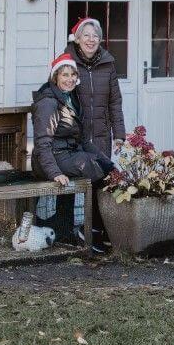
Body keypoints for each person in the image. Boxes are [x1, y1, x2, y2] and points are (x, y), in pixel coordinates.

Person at [31, 53, 114, 251]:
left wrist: (107, 162)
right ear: (55, 77)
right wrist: (55, 173)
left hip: (67, 155)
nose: (69, 79)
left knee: (108, 170)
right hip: (50, 161)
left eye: (72, 75)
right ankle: (91, 230)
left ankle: (93, 229)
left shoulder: (71, 99)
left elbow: (84, 140)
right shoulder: (48, 102)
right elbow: (43, 143)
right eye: (64, 75)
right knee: (97, 171)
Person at [64, 17, 125, 245]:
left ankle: (97, 231)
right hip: (75, 137)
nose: (91, 40)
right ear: (77, 39)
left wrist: (119, 134)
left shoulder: (108, 64)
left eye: (95, 36)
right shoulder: (67, 63)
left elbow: (115, 101)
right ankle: (68, 233)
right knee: (70, 183)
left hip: (100, 134)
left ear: (100, 40)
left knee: (101, 181)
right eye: (86, 35)